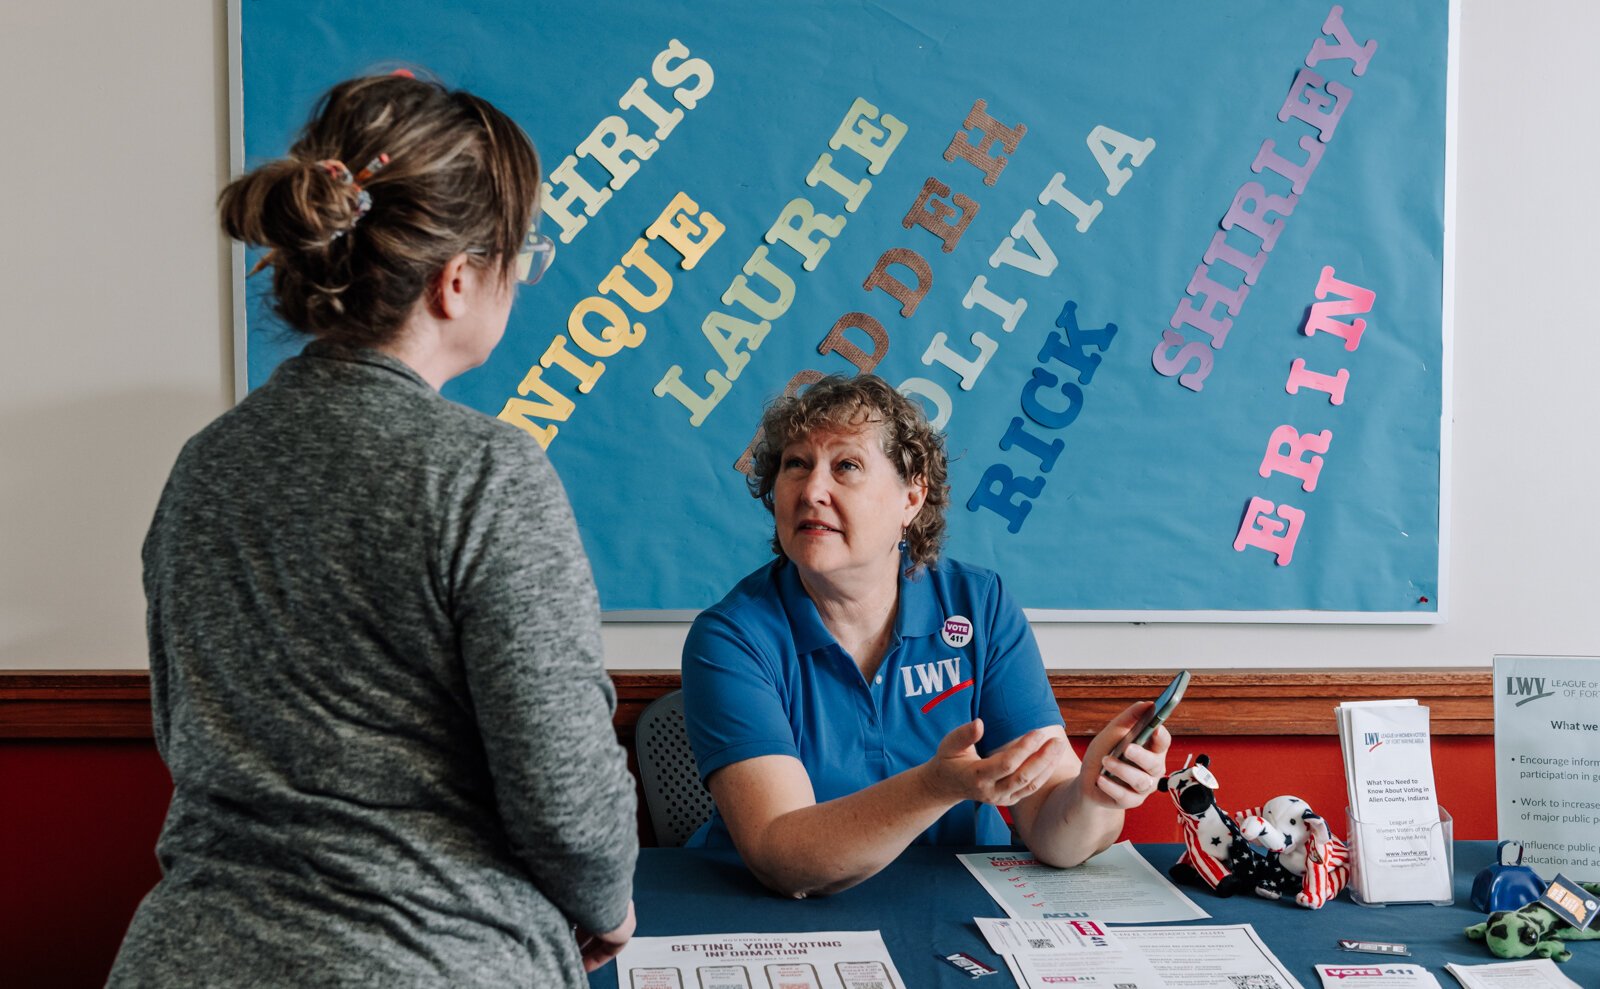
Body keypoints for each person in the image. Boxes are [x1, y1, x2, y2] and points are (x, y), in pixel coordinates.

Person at [107, 74, 637, 987]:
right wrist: (610, 905)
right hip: (427, 957)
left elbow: (183, 730)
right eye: (524, 255)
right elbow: (568, 808)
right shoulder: (485, 474)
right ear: (457, 280)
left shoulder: (205, 465)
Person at [681, 374, 1171, 897]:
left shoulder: (978, 605)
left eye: (845, 466)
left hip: (954, 905)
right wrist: (937, 785)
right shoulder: (730, 638)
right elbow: (784, 859)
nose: (811, 490)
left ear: (911, 498)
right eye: (795, 465)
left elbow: (1055, 836)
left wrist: (1094, 794)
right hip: (778, 919)